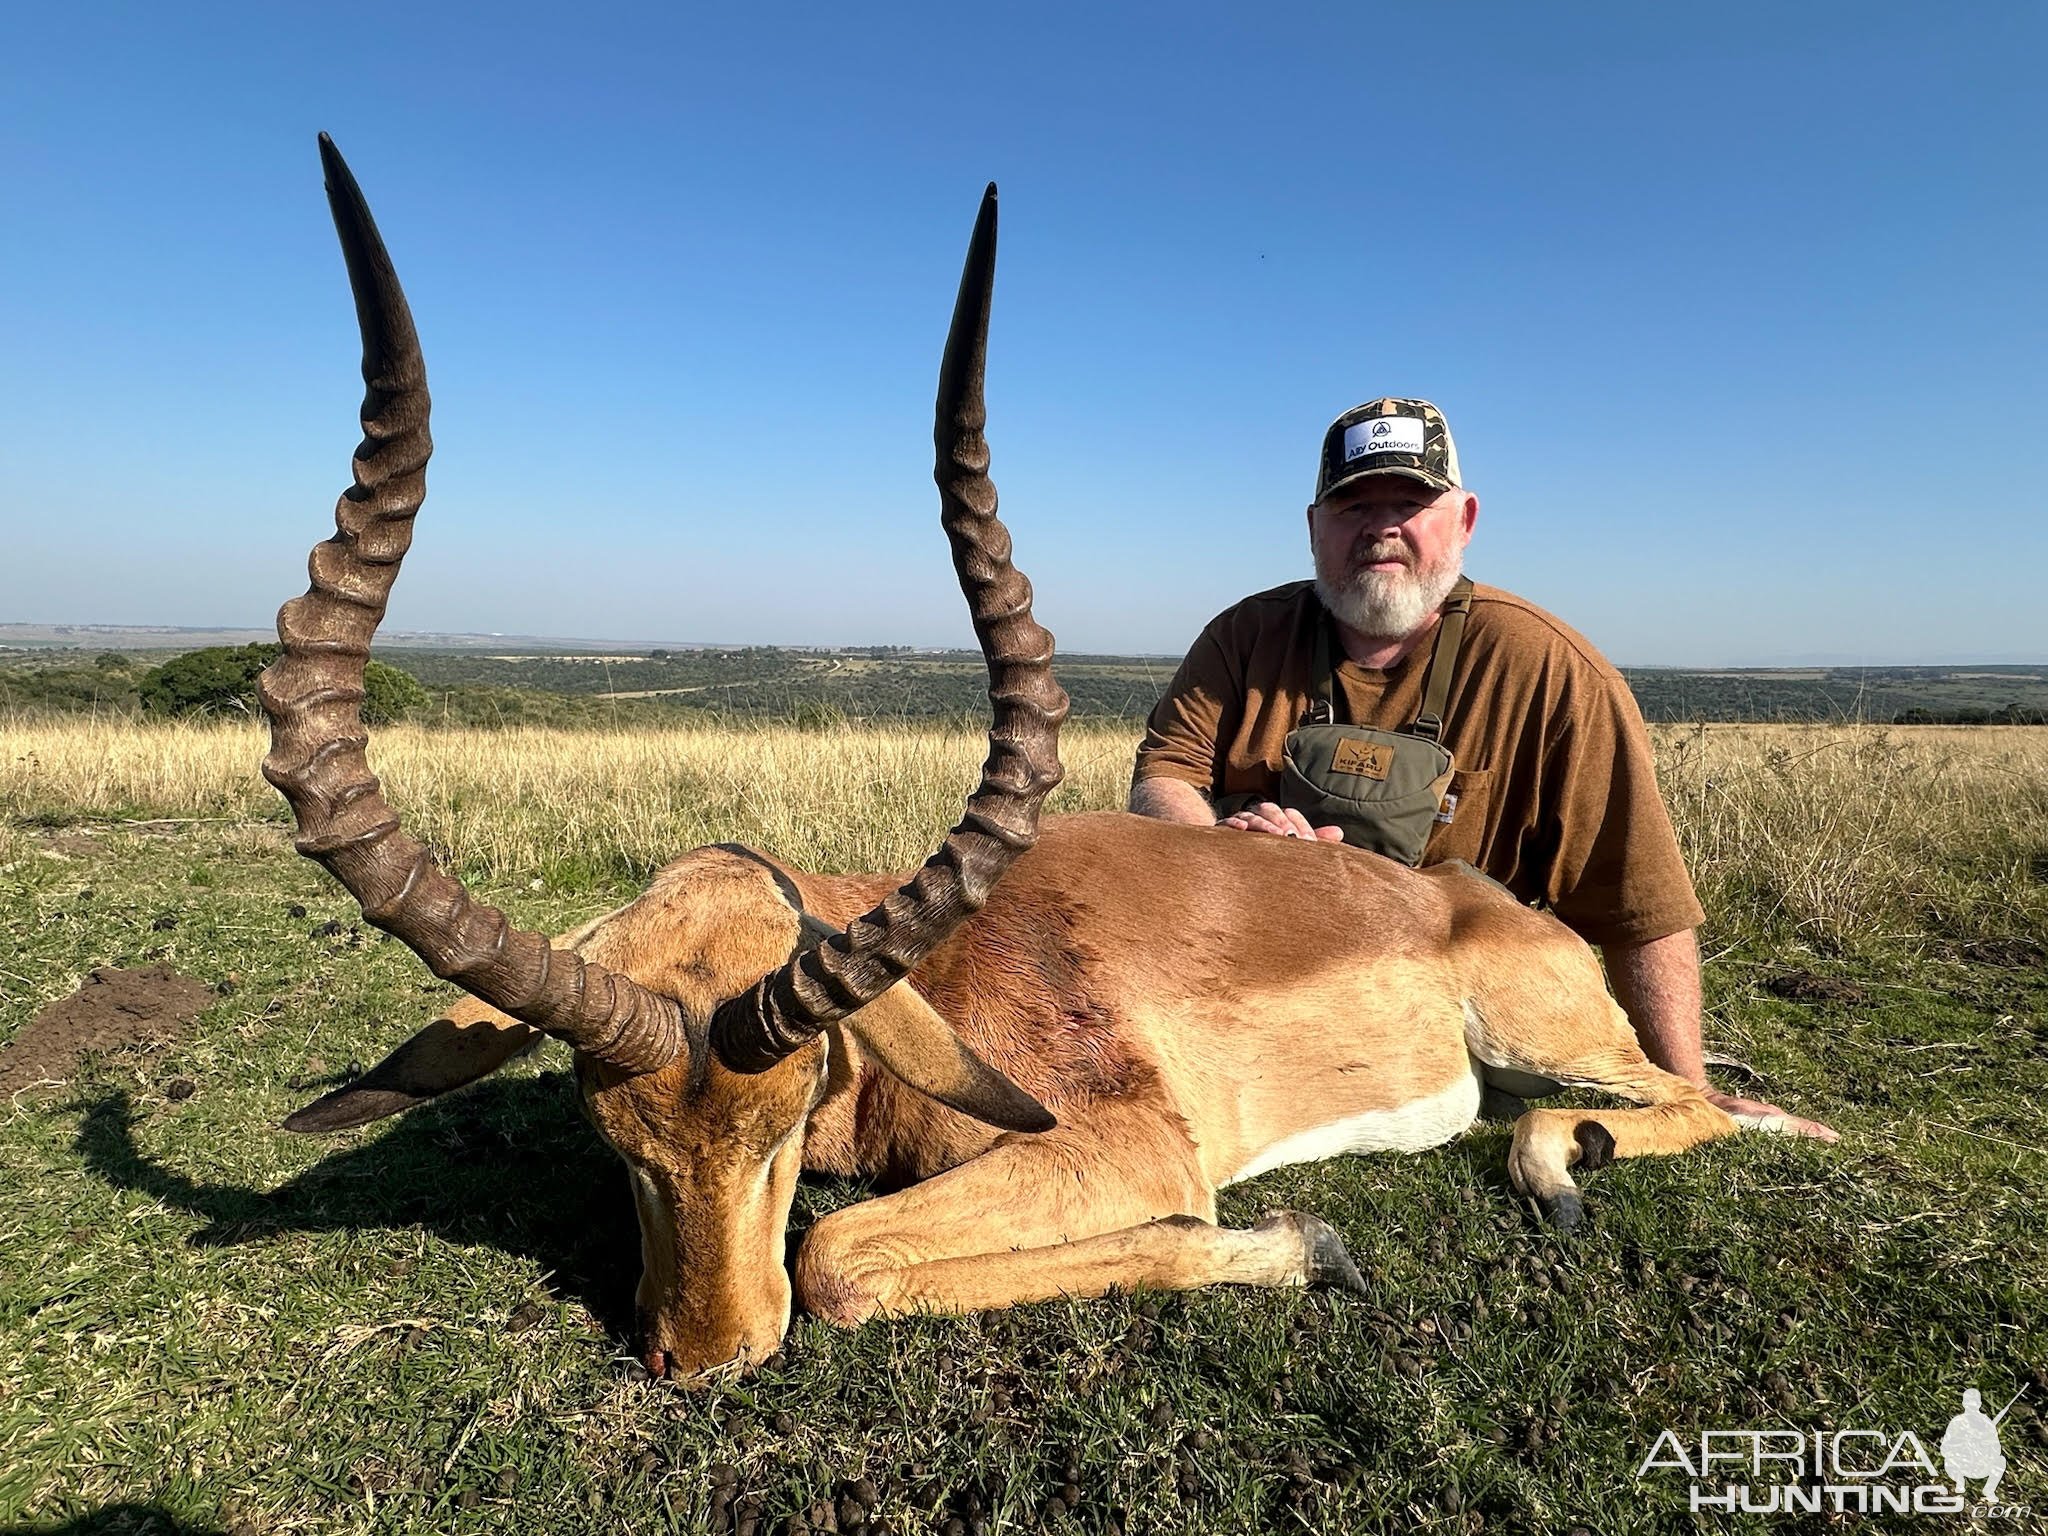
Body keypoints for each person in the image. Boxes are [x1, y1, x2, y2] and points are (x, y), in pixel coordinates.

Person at [1129, 397, 1835, 1140]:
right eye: (1352, 506)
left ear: (1464, 520)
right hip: (1259, 993)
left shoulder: (1555, 671)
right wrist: (1218, 847)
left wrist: (1687, 1090)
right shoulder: (1243, 637)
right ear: (1313, 528)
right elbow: (1164, 775)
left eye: (1409, 501)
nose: (1380, 528)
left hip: (1445, 1007)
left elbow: (1639, 904)